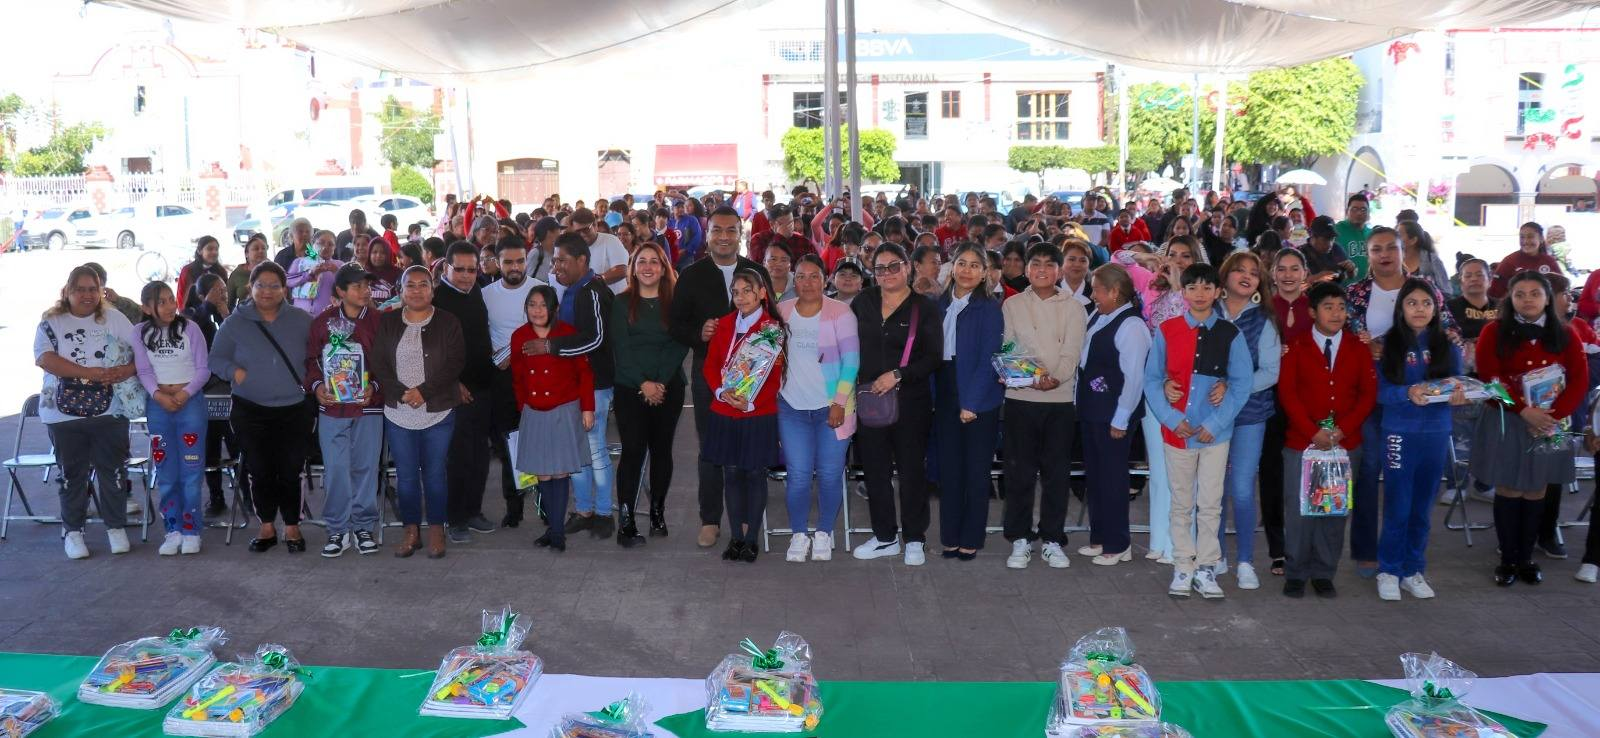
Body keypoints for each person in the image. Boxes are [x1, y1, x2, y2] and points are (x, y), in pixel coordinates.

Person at [1143, 263, 1254, 599]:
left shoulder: (1230, 334)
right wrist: (1171, 418)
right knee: (1180, 503)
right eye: (1192, 287)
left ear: (1218, 291)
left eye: (1207, 287)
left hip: (1214, 436)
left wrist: (1215, 424)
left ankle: (1206, 567)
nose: (1200, 294)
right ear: (1184, 292)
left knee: (1210, 504)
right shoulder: (1167, 330)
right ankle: (1183, 565)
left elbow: (1242, 383)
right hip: (1177, 433)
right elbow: (1152, 379)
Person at [1473, 271, 1588, 586]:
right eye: (1520, 294)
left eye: (1535, 293)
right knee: (1509, 487)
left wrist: (1552, 416)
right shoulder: (1493, 332)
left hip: (1551, 422)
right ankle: (1507, 560)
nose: (1527, 300)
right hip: (1507, 419)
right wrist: (1523, 411)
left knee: (1538, 488)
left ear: (1547, 298)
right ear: (1509, 298)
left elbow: (1579, 380)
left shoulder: (1567, 333)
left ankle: (1526, 559)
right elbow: (1490, 381)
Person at [669, 206, 770, 548]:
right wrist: (699, 333)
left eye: (731, 230)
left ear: (740, 234)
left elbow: (772, 320)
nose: (724, 237)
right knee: (711, 446)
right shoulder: (691, 274)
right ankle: (710, 519)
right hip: (707, 373)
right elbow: (676, 325)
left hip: (753, 375)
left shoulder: (756, 271)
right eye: (717, 230)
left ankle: (746, 519)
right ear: (707, 234)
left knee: (748, 445)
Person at [208, 262, 315, 554]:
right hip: (250, 409)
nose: (267, 291)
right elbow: (215, 359)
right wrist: (235, 372)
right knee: (259, 468)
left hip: (294, 408)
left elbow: (318, 355)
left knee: (291, 469)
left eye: (274, 285)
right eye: (261, 285)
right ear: (250, 287)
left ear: (285, 289)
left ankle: (292, 525)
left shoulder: (302, 320)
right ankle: (266, 525)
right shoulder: (235, 322)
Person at [1278, 281, 1376, 598]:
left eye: (1341, 307)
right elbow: (1288, 394)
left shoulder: (1358, 347)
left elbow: (1367, 395)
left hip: (1344, 444)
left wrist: (1342, 430)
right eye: (1328, 307)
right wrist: (1312, 431)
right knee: (1300, 510)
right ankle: (1296, 571)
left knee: (1333, 509)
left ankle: (1323, 572)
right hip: (1302, 443)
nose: (1336, 313)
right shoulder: (1296, 346)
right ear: (1312, 312)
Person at [35, 266, 139, 559]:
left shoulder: (115, 318)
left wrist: (126, 370)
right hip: (63, 415)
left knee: (114, 471)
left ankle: (115, 528)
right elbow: (45, 358)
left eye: (92, 289)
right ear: (67, 291)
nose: (87, 295)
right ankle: (73, 532)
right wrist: (88, 373)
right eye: (80, 289)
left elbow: (142, 351)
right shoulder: (51, 322)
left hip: (110, 412)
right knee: (72, 475)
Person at [1374, 278, 1466, 600]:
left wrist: (1460, 397)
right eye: (1412, 302)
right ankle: (1388, 570)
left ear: (1436, 308)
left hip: (1437, 433)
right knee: (1398, 504)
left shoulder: (1448, 345)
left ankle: (1413, 570)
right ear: (1400, 307)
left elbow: (1458, 386)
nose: (1420, 309)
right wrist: (1407, 392)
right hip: (1399, 433)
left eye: (1427, 303)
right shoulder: (1385, 345)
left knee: (1423, 508)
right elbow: (1379, 392)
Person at [851, 243, 943, 566]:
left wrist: (899, 375)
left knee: (911, 470)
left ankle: (914, 537)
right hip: (870, 401)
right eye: (880, 268)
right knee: (875, 471)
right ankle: (885, 537)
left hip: (911, 402)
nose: (887, 273)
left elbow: (933, 357)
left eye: (894, 266)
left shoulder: (924, 308)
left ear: (907, 267)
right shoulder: (863, 302)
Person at [521, 233, 618, 539]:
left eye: (563, 260)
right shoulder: (573, 290)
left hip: (596, 384)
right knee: (577, 451)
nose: (556, 266)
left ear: (582, 260)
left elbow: (596, 339)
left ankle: (604, 513)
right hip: (574, 384)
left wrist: (551, 346)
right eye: (555, 260)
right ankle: (585, 510)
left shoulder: (592, 291)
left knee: (595, 449)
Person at [998, 241, 1086, 568]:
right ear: (1027, 268)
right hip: (1020, 399)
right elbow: (1009, 348)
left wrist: (1054, 379)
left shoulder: (1075, 308)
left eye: (1050, 264)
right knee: (1019, 473)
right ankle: (1020, 539)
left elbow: (1072, 353)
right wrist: (1032, 378)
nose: (1042, 270)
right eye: (1036, 263)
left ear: (1059, 271)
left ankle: (1052, 539)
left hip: (1060, 402)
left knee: (1056, 474)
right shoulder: (1012, 305)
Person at [371, 265, 465, 559]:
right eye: (409, 285)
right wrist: (402, 393)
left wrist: (423, 391)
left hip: (437, 411)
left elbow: (455, 363)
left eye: (423, 284)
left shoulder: (448, 322)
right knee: (407, 476)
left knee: (435, 474)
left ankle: (437, 530)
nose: (416, 290)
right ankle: (411, 531)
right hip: (399, 413)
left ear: (432, 289)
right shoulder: (388, 322)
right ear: (400, 291)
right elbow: (379, 363)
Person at [776, 254, 858, 562]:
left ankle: (824, 532)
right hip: (791, 408)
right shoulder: (782, 311)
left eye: (814, 276)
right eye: (801, 276)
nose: (807, 282)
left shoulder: (841, 312)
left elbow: (851, 362)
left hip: (832, 408)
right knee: (797, 475)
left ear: (825, 281)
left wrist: (839, 402)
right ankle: (799, 533)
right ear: (793, 280)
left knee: (829, 473)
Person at [702, 269, 786, 563]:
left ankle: (751, 540)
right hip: (725, 409)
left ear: (762, 293)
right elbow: (710, 365)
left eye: (747, 291)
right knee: (732, 473)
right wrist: (720, 391)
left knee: (753, 473)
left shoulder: (771, 329)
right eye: (735, 292)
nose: (740, 297)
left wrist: (749, 403)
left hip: (757, 412)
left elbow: (773, 378)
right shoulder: (724, 324)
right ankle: (736, 536)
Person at [303, 264, 384, 558]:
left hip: (368, 408)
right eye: (357, 286)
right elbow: (311, 361)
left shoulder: (379, 321)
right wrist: (317, 387)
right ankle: (338, 528)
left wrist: (374, 386)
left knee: (366, 468)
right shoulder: (322, 323)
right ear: (340, 290)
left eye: (367, 286)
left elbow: (387, 363)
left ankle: (363, 526)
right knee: (336, 469)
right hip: (332, 408)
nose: (365, 291)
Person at [1211, 252, 1280, 590]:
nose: (1247, 276)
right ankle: (1217, 555)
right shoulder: (1207, 311)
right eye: (1239, 270)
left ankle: (1246, 562)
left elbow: (1270, 372)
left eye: (1254, 273)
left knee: (1240, 489)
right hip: (1211, 414)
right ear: (1225, 276)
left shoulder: (1263, 319)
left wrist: (1233, 388)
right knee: (1213, 489)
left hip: (1251, 414)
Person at [612, 242, 688, 543]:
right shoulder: (620, 303)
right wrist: (643, 383)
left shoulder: (676, 302)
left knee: (661, 450)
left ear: (664, 267)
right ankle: (626, 520)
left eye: (654, 261)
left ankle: (657, 511)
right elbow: (621, 349)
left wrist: (659, 382)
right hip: (630, 388)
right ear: (633, 268)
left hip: (669, 387)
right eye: (641, 261)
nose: (647, 267)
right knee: (632, 451)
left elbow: (679, 344)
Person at [933, 244, 1005, 562]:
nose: (967, 270)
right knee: (949, 471)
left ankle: (971, 538)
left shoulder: (989, 308)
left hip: (978, 396)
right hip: (945, 390)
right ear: (952, 267)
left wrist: (971, 403)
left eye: (975, 265)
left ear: (985, 273)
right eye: (962, 263)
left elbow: (990, 359)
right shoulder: (939, 304)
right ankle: (950, 536)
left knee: (976, 472)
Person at [511, 285, 595, 553]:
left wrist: (587, 408)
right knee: (543, 473)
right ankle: (554, 528)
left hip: (564, 409)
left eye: (543, 305)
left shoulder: (568, 334)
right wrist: (523, 407)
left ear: (554, 309)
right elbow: (517, 377)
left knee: (560, 471)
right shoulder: (519, 336)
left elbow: (584, 373)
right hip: (534, 410)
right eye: (532, 304)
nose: (537, 310)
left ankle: (557, 532)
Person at [1078, 263, 1150, 566]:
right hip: (1093, 410)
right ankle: (1099, 537)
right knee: (1095, 477)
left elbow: (1134, 378)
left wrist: (1121, 418)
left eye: (1096, 289)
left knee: (1112, 479)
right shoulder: (1100, 315)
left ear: (1115, 291)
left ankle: (1118, 543)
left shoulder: (1132, 326)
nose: (1092, 295)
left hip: (1114, 415)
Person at [130, 281, 209, 556]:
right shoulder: (139, 332)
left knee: (191, 471)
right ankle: (172, 529)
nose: (168, 306)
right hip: (159, 407)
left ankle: (191, 530)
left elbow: (203, 369)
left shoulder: (190, 328)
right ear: (146, 307)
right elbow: (143, 370)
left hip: (190, 404)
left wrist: (185, 393)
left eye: (170, 300)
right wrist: (158, 395)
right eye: (161, 302)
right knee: (166, 472)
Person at [431, 241, 498, 542]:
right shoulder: (437, 300)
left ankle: (473, 511)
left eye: (472, 270)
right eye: (460, 269)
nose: (467, 275)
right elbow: (432, 350)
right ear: (446, 268)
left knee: (479, 455)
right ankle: (455, 517)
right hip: (453, 393)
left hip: (483, 388)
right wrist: (453, 384)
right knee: (457, 457)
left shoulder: (477, 292)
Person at [482, 236, 545, 528]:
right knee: (509, 443)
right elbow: (480, 334)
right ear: (498, 263)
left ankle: (547, 506)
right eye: (508, 262)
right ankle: (514, 507)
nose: (515, 267)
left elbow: (548, 331)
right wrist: (494, 354)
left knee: (540, 441)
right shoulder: (486, 294)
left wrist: (516, 352)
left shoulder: (540, 290)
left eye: (520, 261)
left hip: (537, 375)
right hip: (502, 378)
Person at [1490, 222, 1563, 299]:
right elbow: (1495, 293)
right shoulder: (1509, 261)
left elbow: (1561, 289)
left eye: (1530, 237)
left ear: (1541, 239)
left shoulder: (1549, 261)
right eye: (1522, 237)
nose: (1525, 241)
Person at [569, 207, 629, 293]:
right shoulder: (572, 247)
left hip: (614, 299)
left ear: (595, 225)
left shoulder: (611, 240)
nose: (582, 234)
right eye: (578, 232)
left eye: (586, 230)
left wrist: (592, 281)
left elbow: (621, 271)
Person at [287, 230, 344, 315]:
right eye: (321, 243)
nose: (325, 247)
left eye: (330, 244)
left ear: (334, 247)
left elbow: (349, 288)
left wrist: (337, 273)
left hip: (328, 316)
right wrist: (310, 274)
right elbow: (288, 281)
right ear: (312, 244)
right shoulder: (300, 262)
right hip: (301, 315)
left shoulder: (340, 265)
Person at [748, 203, 814, 266]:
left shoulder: (803, 241)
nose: (790, 227)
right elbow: (758, 262)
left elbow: (814, 263)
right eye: (783, 224)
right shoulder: (759, 239)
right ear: (772, 224)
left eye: (791, 222)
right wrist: (779, 237)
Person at [1397, 221, 1451, 296]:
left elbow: (1446, 290)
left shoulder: (1431, 259)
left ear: (1413, 240)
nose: (1395, 237)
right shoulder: (1394, 260)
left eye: (1399, 235)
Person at [176, 236, 228, 312]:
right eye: (210, 249)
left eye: (216, 249)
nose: (214, 252)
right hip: (194, 314)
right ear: (199, 251)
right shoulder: (188, 270)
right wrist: (184, 314)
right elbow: (181, 298)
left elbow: (226, 295)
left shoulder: (221, 271)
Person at [1334, 195, 1373, 281]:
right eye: (1354, 209)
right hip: (1342, 286)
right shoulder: (1335, 230)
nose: (1359, 213)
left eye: (1363, 209)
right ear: (1347, 211)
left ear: (1368, 212)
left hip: (1366, 285)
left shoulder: (1372, 234)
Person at [229, 233, 269, 308]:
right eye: (256, 249)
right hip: (243, 313)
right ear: (246, 254)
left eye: (264, 248)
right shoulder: (237, 273)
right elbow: (229, 303)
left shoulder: (275, 271)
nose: (261, 251)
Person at [669, 198, 706, 270]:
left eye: (682, 207)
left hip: (687, 258)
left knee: (687, 276)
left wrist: (686, 250)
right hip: (672, 258)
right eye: (678, 207)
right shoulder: (669, 222)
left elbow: (697, 237)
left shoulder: (691, 219)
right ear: (672, 209)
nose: (681, 209)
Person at [366, 237, 401, 305]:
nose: (378, 256)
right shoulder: (363, 273)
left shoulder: (398, 273)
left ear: (388, 254)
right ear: (369, 254)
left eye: (383, 253)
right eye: (374, 252)